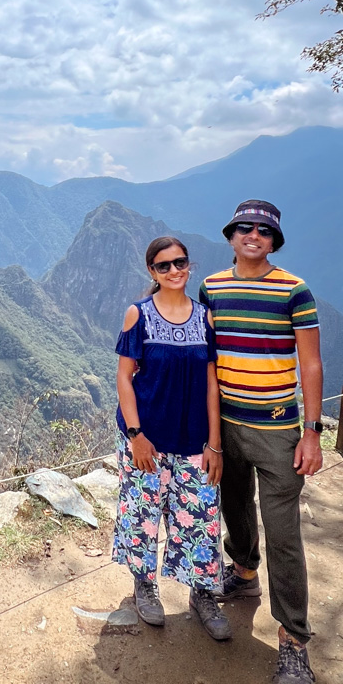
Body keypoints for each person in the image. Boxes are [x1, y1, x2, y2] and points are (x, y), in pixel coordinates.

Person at [199, 200, 323, 684]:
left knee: (284, 532)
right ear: (231, 236)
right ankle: (244, 571)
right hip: (225, 424)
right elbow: (201, 355)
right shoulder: (211, 287)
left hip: (276, 430)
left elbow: (310, 364)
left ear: (273, 241)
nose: (253, 235)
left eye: (263, 231)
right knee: (234, 507)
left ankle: (293, 637)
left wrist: (311, 431)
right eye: (244, 228)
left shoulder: (295, 291)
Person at [113, 236, 231, 641]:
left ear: (189, 265)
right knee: (142, 515)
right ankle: (144, 585)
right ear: (152, 272)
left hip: (195, 440)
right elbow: (124, 380)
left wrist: (215, 443)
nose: (174, 271)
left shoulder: (205, 318)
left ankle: (202, 593)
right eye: (164, 266)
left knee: (200, 518)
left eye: (179, 262)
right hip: (148, 438)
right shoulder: (139, 315)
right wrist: (136, 435)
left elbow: (211, 385)